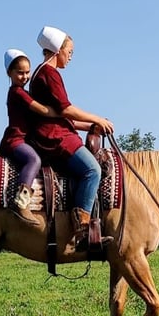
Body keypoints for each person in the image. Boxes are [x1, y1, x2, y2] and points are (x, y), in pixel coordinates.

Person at [29, 26, 115, 252]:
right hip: (54, 137)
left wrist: (92, 125)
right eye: (70, 51)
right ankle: (82, 230)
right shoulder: (50, 73)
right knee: (93, 170)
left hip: (55, 130)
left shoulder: (41, 73)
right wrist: (97, 118)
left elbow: (61, 114)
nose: (71, 56)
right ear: (58, 50)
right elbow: (66, 110)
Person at [0, 48, 59, 225]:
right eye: (20, 73)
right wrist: (60, 112)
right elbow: (40, 110)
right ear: (9, 73)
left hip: (23, 139)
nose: (24, 76)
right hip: (15, 140)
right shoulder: (17, 93)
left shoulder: (24, 92)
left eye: (27, 72)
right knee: (34, 160)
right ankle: (22, 202)